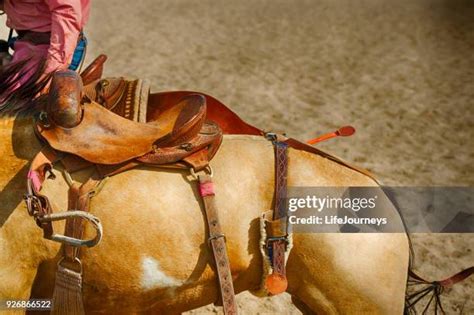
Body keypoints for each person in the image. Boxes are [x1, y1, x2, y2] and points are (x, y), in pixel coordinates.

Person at [0, 0, 89, 113]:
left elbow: (67, 11)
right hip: (27, 42)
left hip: (52, 47)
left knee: (9, 109)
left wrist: (50, 71)